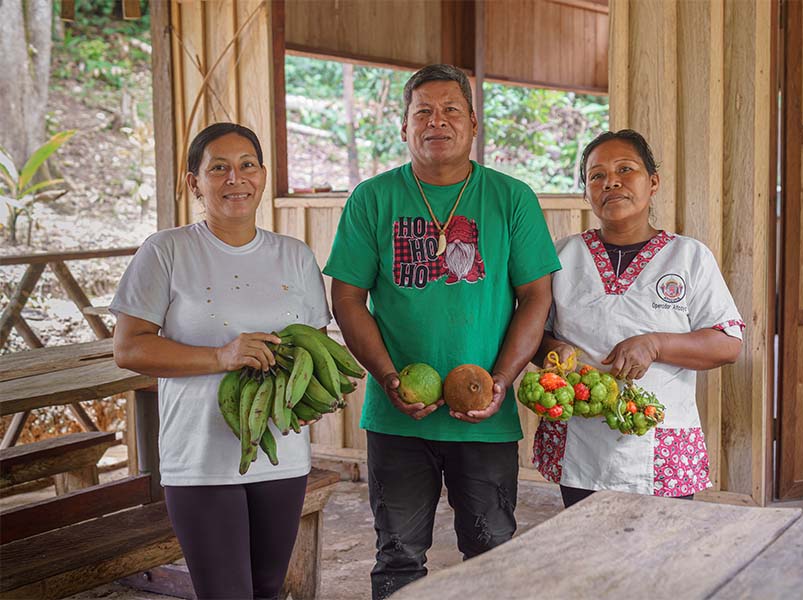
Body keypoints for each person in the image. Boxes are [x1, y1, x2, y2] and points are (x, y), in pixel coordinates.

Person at [324, 64, 560, 599]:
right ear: (403, 127)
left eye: (451, 109)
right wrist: (387, 377)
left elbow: (536, 298)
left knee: (493, 552)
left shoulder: (511, 197)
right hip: (396, 416)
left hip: (486, 417)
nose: (438, 121)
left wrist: (501, 380)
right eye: (422, 111)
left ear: (473, 123)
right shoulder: (373, 198)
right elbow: (346, 298)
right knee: (398, 557)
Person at [111, 123, 331, 599]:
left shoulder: (294, 256)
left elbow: (314, 346)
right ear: (194, 182)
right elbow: (129, 348)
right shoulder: (166, 251)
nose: (236, 179)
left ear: (263, 175)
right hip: (200, 457)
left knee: (269, 588)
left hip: (282, 453)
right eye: (219, 168)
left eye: (247, 165)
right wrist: (223, 355)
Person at [534, 129, 744, 508]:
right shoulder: (563, 256)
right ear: (586, 193)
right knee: (585, 551)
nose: (610, 181)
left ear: (653, 182)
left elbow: (727, 344)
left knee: (661, 559)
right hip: (582, 446)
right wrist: (554, 350)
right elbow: (537, 335)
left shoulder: (689, 257)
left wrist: (655, 344)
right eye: (596, 175)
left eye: (625, 169)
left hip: (662, 446)